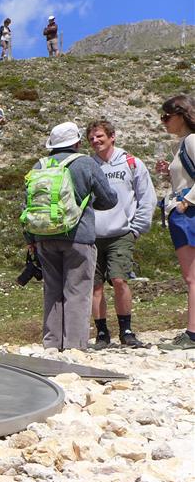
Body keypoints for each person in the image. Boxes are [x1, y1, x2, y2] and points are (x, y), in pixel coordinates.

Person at [22, 122, 117, 351]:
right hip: (78, 236)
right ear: (77, 142)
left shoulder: (39, 165)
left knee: (52, 291)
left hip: (43, 236)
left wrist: (31, 240)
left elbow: (28, 204)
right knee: (77, 291)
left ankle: (52, 344)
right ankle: (75, 346)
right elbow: (109, 199)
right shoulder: (85, 163)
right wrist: (87, 202)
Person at [86, 120, 154, 348]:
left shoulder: (131, 163)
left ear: (112, 136)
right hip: (93, 235)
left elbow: (146, 197)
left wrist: (136, 229)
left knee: (119, 280)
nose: (95, 141)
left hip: (122, 233)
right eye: (91, 138)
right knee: (95, 285)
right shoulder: (88, 165)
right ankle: (102, 333)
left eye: (100, 136)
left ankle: (126, 330)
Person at [154, 95, 195, 350]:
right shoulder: (183, 144)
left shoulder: (190, 141)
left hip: (188, 214)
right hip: (186, 212)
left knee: (192, 277)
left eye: (166, 117)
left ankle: (192, 334)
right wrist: (169, 173)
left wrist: (186, 202)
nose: (164, 122)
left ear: (181, 115)